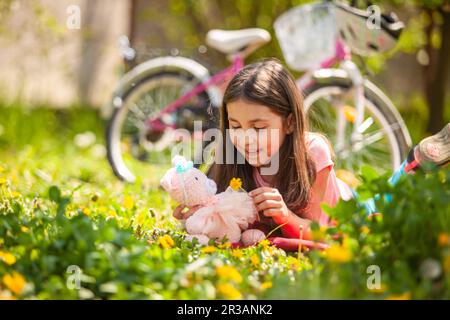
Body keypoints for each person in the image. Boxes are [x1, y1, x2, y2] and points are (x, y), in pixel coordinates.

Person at [173, 58, 353, 249]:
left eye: (258, 127)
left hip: (345, 204)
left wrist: (286, 216)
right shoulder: (232, 152)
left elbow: (318, 233)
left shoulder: (313, 152)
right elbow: (218, 210)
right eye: (235, 126)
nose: (245, 139)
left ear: (290, 123)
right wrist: (200, 213)